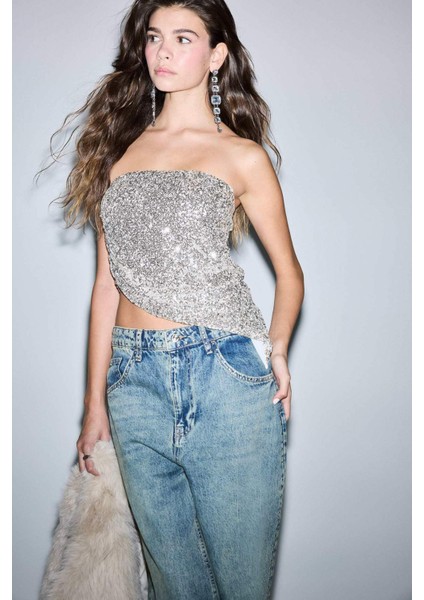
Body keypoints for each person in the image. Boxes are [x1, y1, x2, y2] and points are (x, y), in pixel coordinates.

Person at [49, 0, 304, 598]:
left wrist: (277, 350)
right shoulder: (118, 152)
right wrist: (94, 405)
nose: (163, 52)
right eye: (154, 37)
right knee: (173, 588)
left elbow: (290, 274)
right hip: (132, 383)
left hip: (226, 377)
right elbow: (106, 286)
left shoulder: (241, 156)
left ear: (216, 56)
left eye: (184, 39)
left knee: (241, 587)